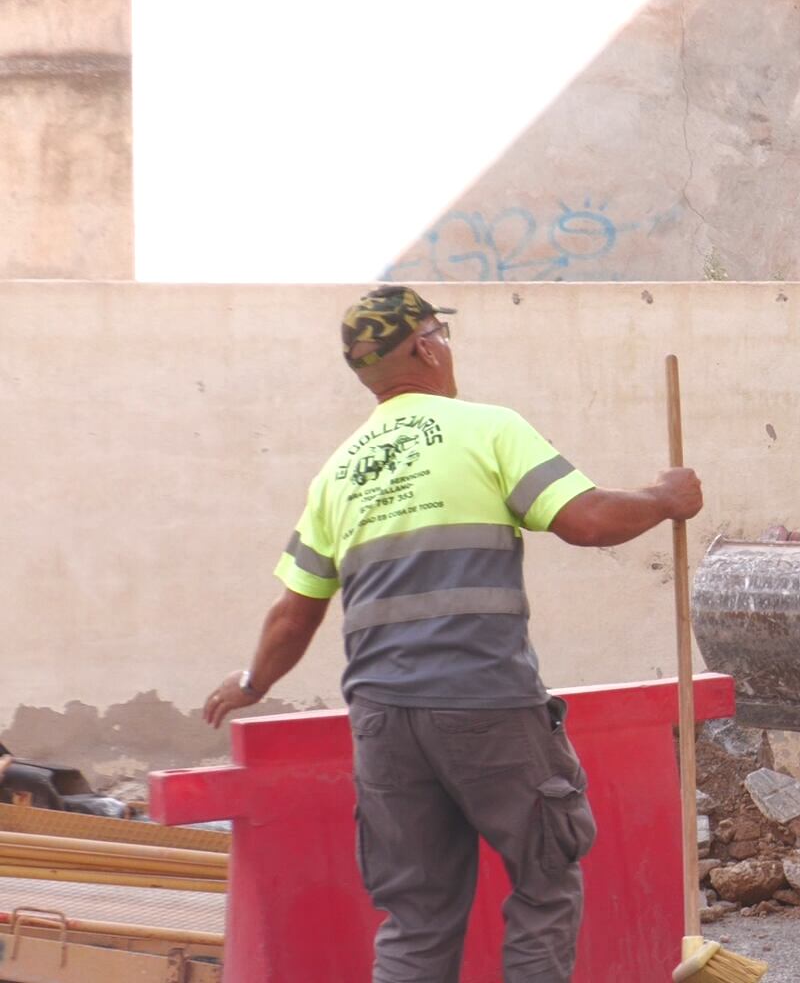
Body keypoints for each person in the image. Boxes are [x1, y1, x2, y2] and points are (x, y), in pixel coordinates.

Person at [201, 285, 703, 982]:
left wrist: (253, 682)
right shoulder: (486, 430)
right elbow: (586, 521)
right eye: (442, 333)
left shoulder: (337, 475)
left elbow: (294, 614)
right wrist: (664, 499)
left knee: (417, 916)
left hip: (382, 723)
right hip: (485, 702)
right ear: (426, 347)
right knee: (544, 880)